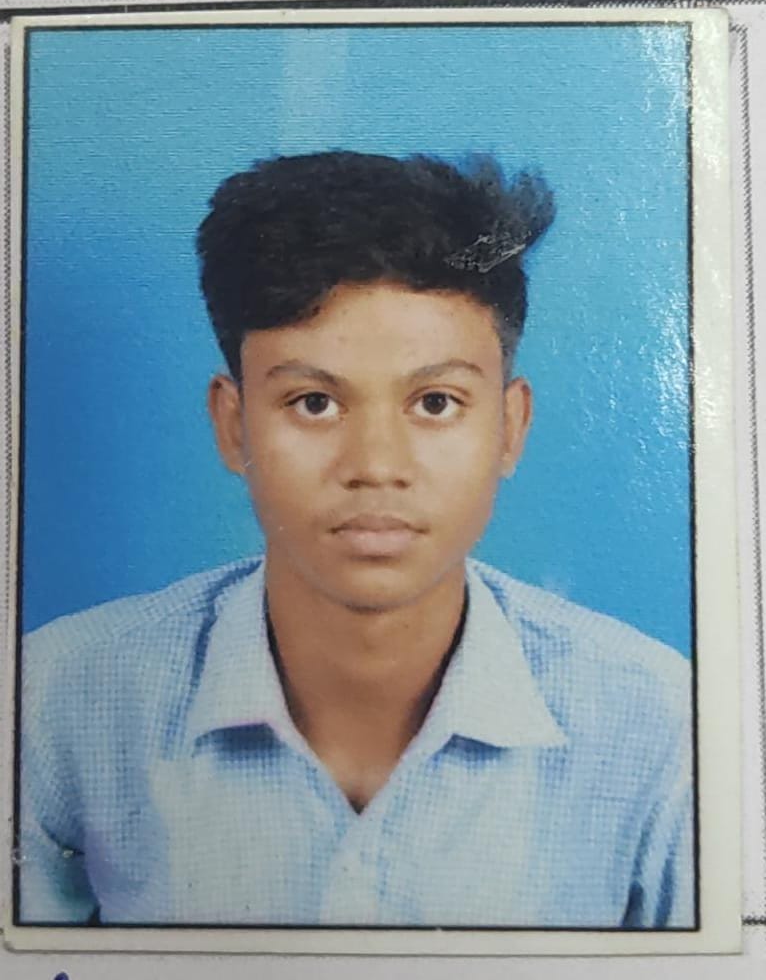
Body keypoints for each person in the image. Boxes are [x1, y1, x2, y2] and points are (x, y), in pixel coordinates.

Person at [19, 151, 693, 928]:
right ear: (233, 425)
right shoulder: (56, 702)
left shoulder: (661, 727)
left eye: (436, 402)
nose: (375, 466)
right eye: (313, 402)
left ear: (510, 427)